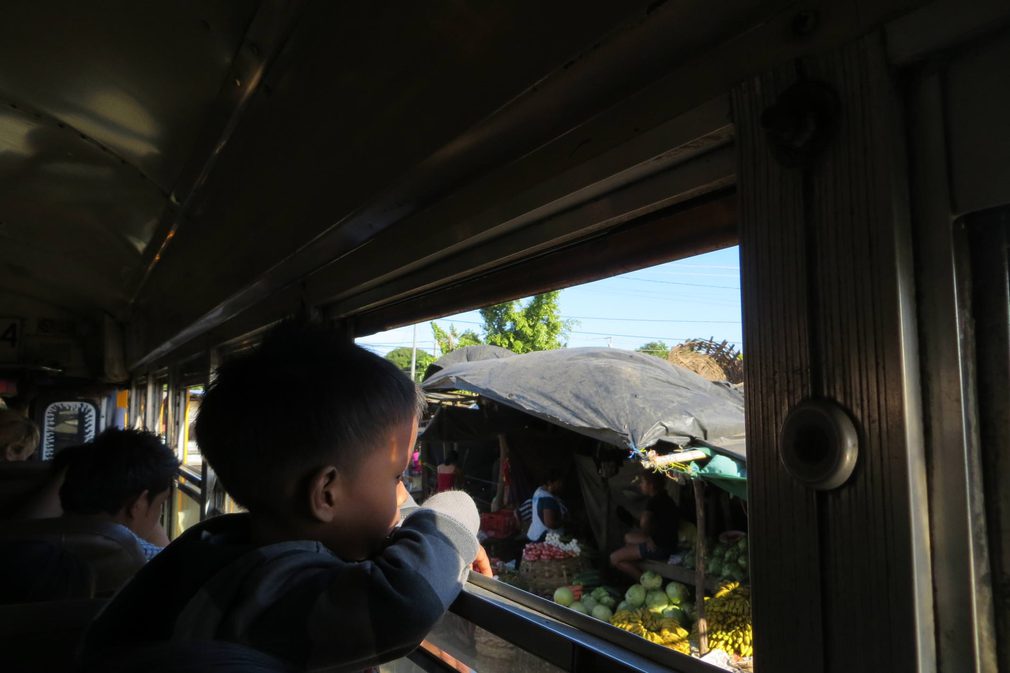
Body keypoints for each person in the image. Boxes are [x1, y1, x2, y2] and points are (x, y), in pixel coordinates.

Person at [81, 321, 490, 672]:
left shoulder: (218, 546)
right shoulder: (269, 590)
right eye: (396, 477)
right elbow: (404, 605)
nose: (402, 496)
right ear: (325, 494)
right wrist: (454, 510)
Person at [59, 429, 179, 558]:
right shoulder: (134, 553)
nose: (158, 517)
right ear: (138, 504)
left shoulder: (43, 534)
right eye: (160, 504)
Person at [609, 469, 681, 580]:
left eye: (642, 482)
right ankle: (636, 561)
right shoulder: (667, 499)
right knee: (628, 538)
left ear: (651, 485)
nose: (640, 485)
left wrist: (647, 537)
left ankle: (645, 583)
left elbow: (644, 521)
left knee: (614, 558)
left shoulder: (654, 502)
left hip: (659, 547)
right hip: (670, 544)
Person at [526, 468, 566, 542]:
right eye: (559, 482)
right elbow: (549, 523)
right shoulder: (548, 499)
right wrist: (564, 522)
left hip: (535, 534)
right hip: (545, 539)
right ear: (550, 482)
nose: (561, 485)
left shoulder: (539, 491)